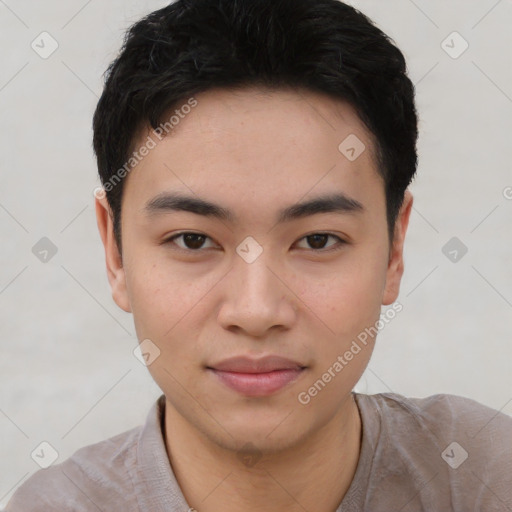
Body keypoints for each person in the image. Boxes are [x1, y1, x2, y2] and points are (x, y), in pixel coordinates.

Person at [6, 0, 511, 510]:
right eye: (193, 240)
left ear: (393, 250)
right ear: (114, 251)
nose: (256, 311)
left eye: (317, 240)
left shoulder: (485, 476)